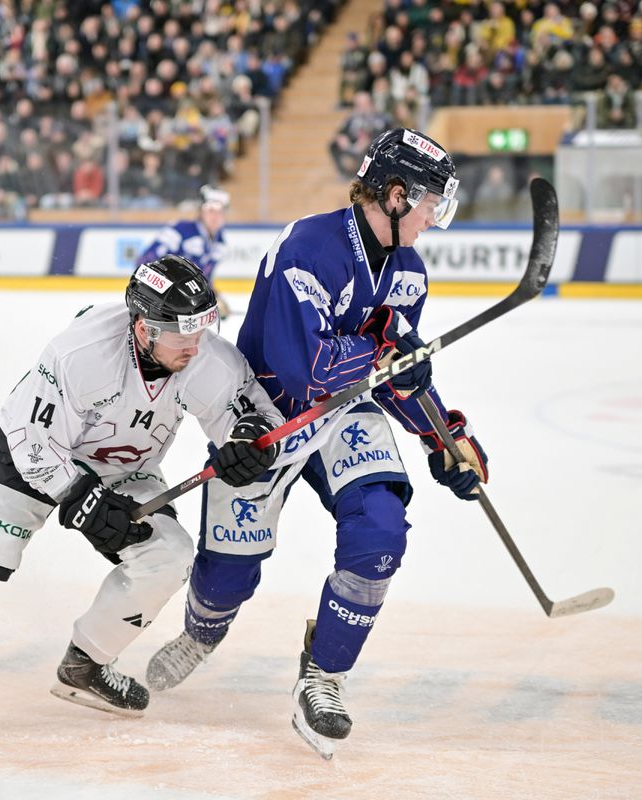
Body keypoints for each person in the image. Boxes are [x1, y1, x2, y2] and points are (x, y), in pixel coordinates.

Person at [145, 128, 490, 758]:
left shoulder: (409, 271)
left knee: (381, 530)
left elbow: (395, 374)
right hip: (263, 417)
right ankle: (203, 632)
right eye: (428, 202)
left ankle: (324, 675)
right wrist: (386, 354)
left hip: (342, 414)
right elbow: (304, 369)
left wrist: (446, 437)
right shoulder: (309, 245)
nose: (434, 216)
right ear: (393, 194)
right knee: (226, 580)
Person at [0, 255, 282, 720]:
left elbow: (257, 416)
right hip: (29, 458)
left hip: (123, 468)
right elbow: (33, 442)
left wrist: (249, 442)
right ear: (143, 327)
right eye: (181, 334)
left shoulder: (203, 356)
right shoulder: (82, 352)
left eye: (201, 330)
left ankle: (84, 666)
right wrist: (79, 497)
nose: (194, 346)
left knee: (167, 556)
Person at [137, 185, 232, 318]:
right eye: (210, 210)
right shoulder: (179, 230)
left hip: (186, 308)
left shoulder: (220, 243)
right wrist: (164, 294)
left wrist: (215, 298)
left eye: (220, 211)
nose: (215, 216)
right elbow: (143, 264)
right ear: (201, 211)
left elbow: (204, 280)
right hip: (162, 303)